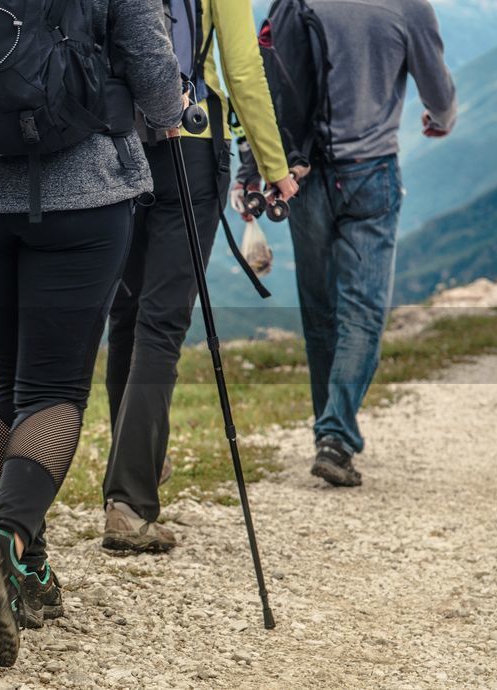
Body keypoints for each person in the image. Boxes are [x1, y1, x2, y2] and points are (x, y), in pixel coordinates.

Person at [0, 0, 183, 668]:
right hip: (83, 194)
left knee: (10, 375)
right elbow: (157, 85)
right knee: (52, 385)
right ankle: (6, 539)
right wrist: (174, 107)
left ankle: (31, 569)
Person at [102, 0, 297, 553]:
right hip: (189, 144)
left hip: (115, 142)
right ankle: (130, 500)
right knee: (161, 323)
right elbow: (241, 69)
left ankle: (131, 473)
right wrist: (274, 165)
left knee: (126, 314)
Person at [286, 0, 456, 487]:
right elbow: (438, 93)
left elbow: (275, 81)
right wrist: (442, 117)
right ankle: (334, 436)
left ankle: (328, 434)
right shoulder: (407, 6)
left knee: (320, 310)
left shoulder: (299, 2)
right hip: (370, 174)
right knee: (362, 310)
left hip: (304, 174)